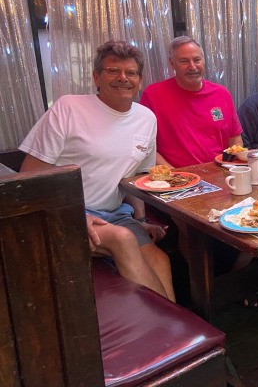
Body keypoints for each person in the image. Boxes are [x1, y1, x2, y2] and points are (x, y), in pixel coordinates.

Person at [19, 40, 175, 301]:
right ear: (96, 77)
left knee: (160, 260)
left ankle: (174, 325)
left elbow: (135, 177)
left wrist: (141, 219)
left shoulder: (146, 118)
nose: (123, 78)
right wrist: (73, 215)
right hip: (66, 212)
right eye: (113, 71)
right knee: (122, 239)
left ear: (139, 80)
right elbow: (29, 175)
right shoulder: (69, 107)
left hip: (116, 214)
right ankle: (169, 323)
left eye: (131, 73)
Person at [140, 36, 243, 168]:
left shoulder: (222, 94)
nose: (192, 66)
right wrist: (174, 175)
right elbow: (145, 147)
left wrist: (230, 167)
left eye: (197, 60)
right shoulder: (152, 95)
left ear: (203, 61)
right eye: (184, 61)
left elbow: (235, 140)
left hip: (220, 172)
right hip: (176, 176)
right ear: (172, 64)